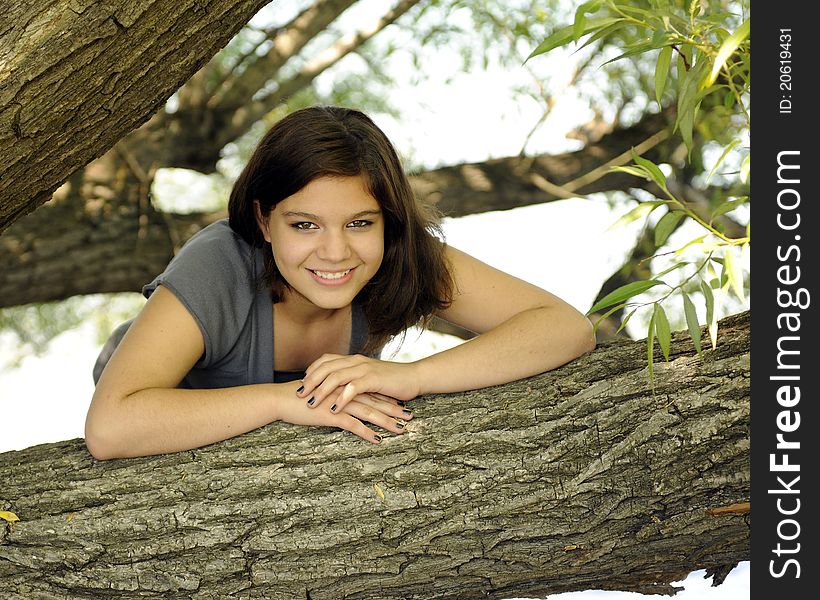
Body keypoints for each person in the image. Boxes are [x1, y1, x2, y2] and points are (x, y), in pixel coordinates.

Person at [85, 106, 595, 460]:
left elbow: (564, 328)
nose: (335, 252)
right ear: (265, 221)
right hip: (147, 383)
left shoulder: (400, 255)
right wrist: (285, 399)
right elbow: (111, 428)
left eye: (360, 223)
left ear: (388, 221)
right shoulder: (220, 261)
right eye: (304, 224)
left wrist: (411, 376)